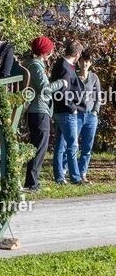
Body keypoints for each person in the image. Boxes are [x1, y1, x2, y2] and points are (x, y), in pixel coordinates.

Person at [23, 37, 67, 192]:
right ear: (46, 52)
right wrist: (61, 83)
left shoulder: (30, 63)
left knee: (37, 146)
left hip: (35, 111)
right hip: (39, 110)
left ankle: (32, 180)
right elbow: (45, 89)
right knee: (39, 148)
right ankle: (32, 183)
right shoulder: (35, 65)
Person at [51, 40, 85, 185]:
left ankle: (59, 177)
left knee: (60, 145)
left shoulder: (61, 64)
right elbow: (62, 92)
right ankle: (75, 177)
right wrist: (73, 107)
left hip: (60, 111)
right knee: (72, 146)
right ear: (77, 54)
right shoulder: (65, 67)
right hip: (66, 111)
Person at [77, 51, 101, 183]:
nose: (85, 63)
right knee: (73, 144)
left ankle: (82, 173)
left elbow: (98, 96)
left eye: (87, 61)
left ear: (90, 63)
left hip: (91, 116)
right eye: (83, 60)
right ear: (79, 62)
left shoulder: (94, 77)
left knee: (87, 146)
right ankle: (66, 171)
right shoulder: (74, 76)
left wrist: (95, 111)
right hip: (77, 115)